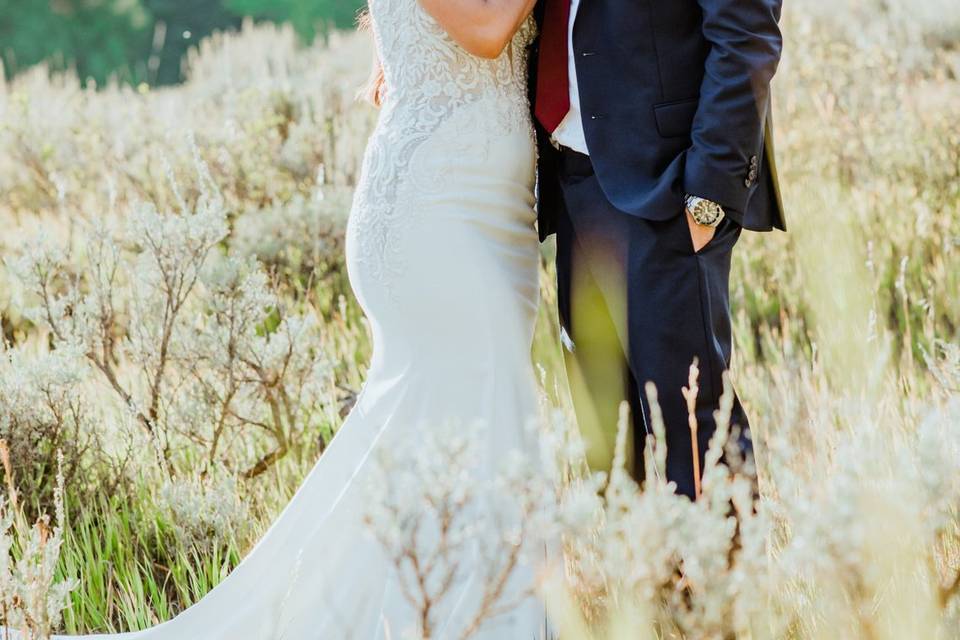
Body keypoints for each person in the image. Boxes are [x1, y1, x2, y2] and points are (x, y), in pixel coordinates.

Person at [11, 0, 549, 638]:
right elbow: (487, 32)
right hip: (438, 213)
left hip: (487, 209)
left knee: (453, 434)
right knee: (474, 419)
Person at [532, 0, 785, 498]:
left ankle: (724, 571)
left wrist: (709, 195)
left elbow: (747, 33)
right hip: (575, 177)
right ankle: (647, 571)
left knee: (691, 424)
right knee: (609, 438)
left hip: (667, 188)